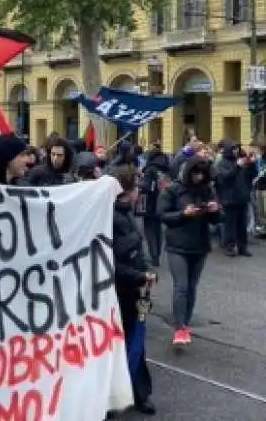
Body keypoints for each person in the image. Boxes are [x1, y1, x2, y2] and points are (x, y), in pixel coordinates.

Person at [157, 156, 221, 346]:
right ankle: (179, 327)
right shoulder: (173, 189)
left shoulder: (207, 189)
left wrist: (214, 210)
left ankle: (185, 321)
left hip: (199, 245)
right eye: (195, 173)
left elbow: (218, 220)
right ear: (188, 172)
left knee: (192, 286)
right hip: (177, 245)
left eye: (202, 174)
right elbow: (163, 215)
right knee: (182, 286)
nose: (198, 177)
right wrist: (183, 214)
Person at [109, 166, 157, 416]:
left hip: (133, 289)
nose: (139, 191)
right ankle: (115, 397)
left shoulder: (127, 213)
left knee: (135, 341)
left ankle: (138, 392)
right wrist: (141, 275)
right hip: (115, 291)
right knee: (117, 343)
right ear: (128, 192)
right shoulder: (109, 217)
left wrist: (147, 271)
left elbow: (139, 247)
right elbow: (112, 263)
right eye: (136, 187)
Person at [214, 141, 256, 256]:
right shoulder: (223, 163)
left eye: (237, 148)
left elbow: (251, 176)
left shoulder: (241, 161)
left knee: (242, 225)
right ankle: (229, 246)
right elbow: (225, 177)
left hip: (241, 197)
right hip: (229, 198)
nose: (236, 151)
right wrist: (237, 166)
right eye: (233, 148)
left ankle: (243, 247)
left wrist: (251, 164)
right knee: (230, 225)